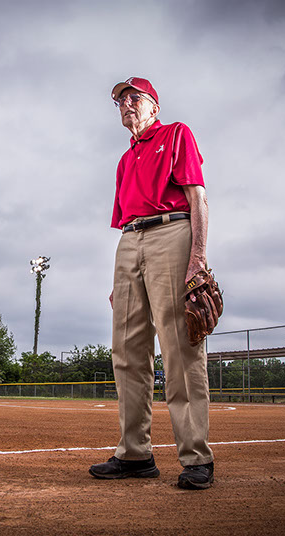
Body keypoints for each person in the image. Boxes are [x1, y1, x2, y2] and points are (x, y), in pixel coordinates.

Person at [89, 77, 215, 490]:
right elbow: (125, 221)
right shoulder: (125, 161)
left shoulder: (176, 134)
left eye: (134, 98)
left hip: (171, 231)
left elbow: (197, 198)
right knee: (126, 349)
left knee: (179, 346)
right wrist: (122, 277)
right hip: (130, 240)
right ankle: (134, 455)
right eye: (120, 101)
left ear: (154, 107)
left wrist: (197, 257)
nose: (126, 104)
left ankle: (196, 457)